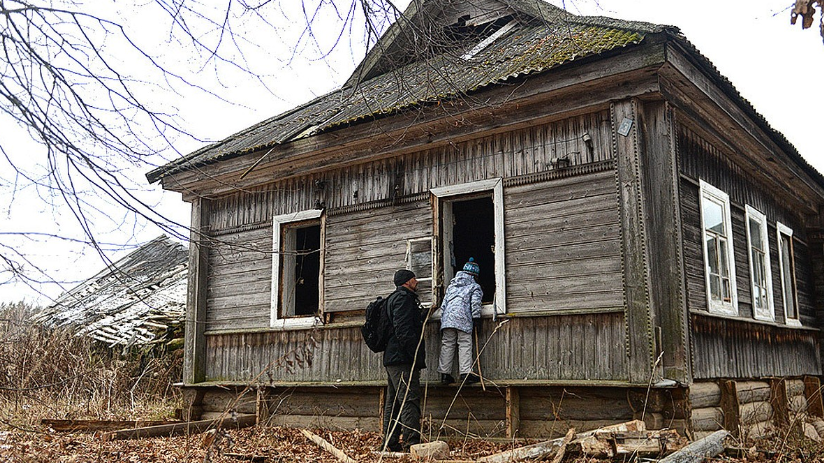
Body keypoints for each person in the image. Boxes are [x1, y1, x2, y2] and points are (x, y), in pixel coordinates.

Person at [382, 269, 426, 452]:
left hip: (393, 358)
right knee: (409, 400)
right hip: (402, 359)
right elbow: (403, 329)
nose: (416, 281)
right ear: (407, 282)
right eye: (414, 278)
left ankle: (390, 443)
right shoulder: (403, 299)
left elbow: (402, 323)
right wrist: (413, 352)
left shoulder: (393, 299)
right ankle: (411, 443)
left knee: (394, 401)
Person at [437, 257, 483, 385]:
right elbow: (475, 303)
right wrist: (476, 318)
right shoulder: (474, 286)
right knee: (464, 344)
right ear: (475, 275)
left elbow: (444, 304)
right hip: (463, 319)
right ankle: (466, 373)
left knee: (447, 344)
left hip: (447, 320)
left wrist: (442, 319)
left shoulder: (452, 286)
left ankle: (445, 374)